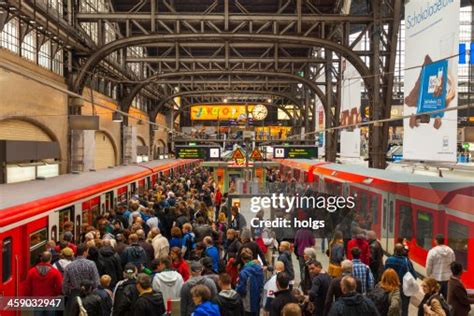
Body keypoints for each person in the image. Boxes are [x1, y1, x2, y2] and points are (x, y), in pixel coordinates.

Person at [63, 244, 100, 315]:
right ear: (84, 252)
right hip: (89, 294)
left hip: (74, 295)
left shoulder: (69, 266)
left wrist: (67, 293)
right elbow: (96, 282)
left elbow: (65, 284)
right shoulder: (91, 264)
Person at [384, 243, 417, 316]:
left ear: (394, 250)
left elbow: (385, 273)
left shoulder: (388, 260)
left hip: (390, 287)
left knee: (391, 305)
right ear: (403, 251)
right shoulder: (406, 262)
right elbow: (414, 276)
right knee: (404, 308)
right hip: (403, 288)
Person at [236, 248, 264, 316]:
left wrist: (236, 287)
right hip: (258, 300)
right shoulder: (259, 269)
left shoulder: (244, 272)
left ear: (242, 259)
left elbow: (242, 289)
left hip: (248, 303)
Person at [426, 234, 455, 298]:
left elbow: (429, 266)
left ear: (436, 241)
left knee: (434, 298)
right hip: (447, 279)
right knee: (446, 298)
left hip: (436, 278)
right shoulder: (451, 251)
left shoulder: (432, 252)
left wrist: (428, 275)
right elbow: (453, 264)